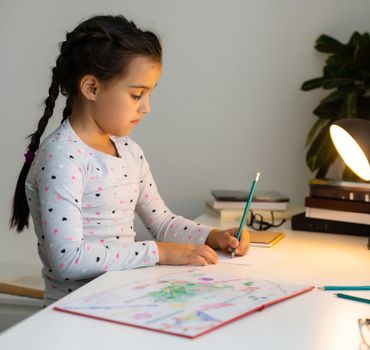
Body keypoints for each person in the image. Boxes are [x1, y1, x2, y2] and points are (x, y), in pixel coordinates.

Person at [9, 14, 250, 306]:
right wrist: (159, 252)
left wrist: (212, 235)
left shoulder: (129, 151)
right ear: (92, 88)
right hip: (75, 317)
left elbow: (161, 222)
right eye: (137, 95)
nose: (147, 107)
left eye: (149, 94)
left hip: (125, 305)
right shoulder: (62, 157)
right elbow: (68, 259)